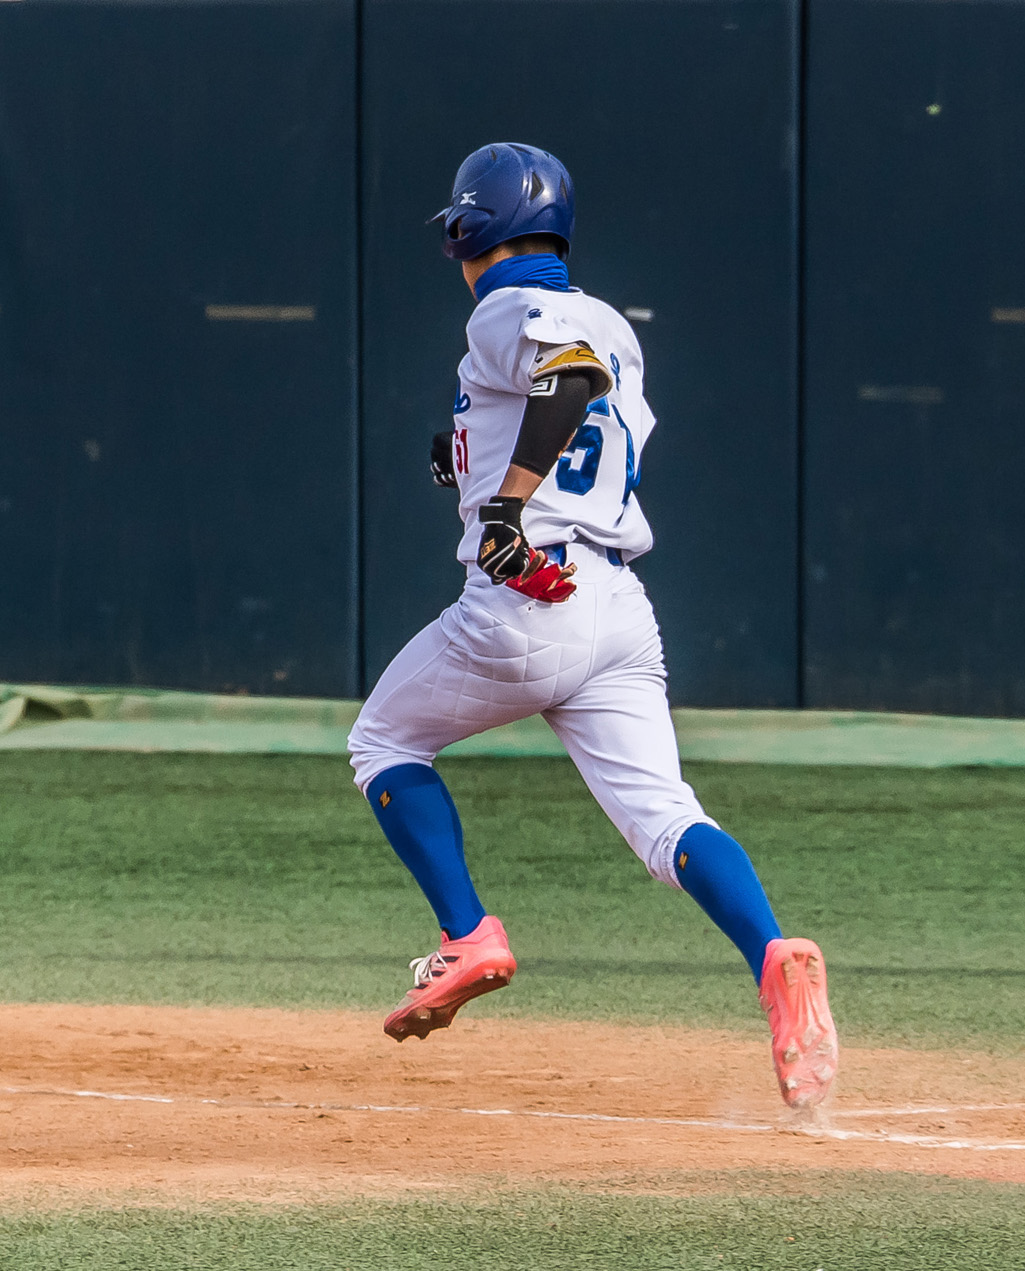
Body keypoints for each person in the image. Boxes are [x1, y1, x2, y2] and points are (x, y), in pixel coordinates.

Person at [347, 143, 837, 1108]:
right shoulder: (614, 322)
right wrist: (473, 464)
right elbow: (573, 394)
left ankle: (467, 935)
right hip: (618, 607)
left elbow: (563, 384)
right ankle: (774, 954)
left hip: (529, 599)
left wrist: (502, 507)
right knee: (668, 819)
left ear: (465, 230)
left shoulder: (500, 308)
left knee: (384, 739)